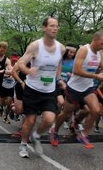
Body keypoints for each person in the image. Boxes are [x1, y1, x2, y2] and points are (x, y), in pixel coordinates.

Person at [17, 17, 66, 158]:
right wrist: (27, 71)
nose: (55, 28)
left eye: (56, 26)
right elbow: (21, 63)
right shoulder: (35, 46)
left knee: (50, 119)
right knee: (30, 120)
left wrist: (59, 79)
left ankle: (36, 135)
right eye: (51, 26)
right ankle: (23, 144)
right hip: (32, 89)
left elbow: (59, 64)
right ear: (44, 28)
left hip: (49, 90)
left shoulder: (61, 48)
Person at [57, 30, 103, 149]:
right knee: (66, 113)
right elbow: (76, 70)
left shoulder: (100, 53)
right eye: (102, 43)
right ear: (95, 40)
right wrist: (96, 76)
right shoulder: (84, 50)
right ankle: (55, 131)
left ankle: (83, 134)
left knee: (96, 110)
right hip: (74, 88)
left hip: (87, 87)